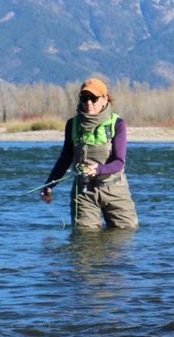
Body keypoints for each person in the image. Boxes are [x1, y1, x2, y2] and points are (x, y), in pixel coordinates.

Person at [41, 78, 139, 229]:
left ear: (104, 99)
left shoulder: (117, 124)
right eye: (84, 98)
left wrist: (98, 169)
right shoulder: (72, 124)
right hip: (84, 192)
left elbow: (119, 162)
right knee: (85, 242)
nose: (89, 103)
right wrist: (49, 185)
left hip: (115, 189)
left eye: (93, 98)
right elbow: (65, 159)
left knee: (124, 235)